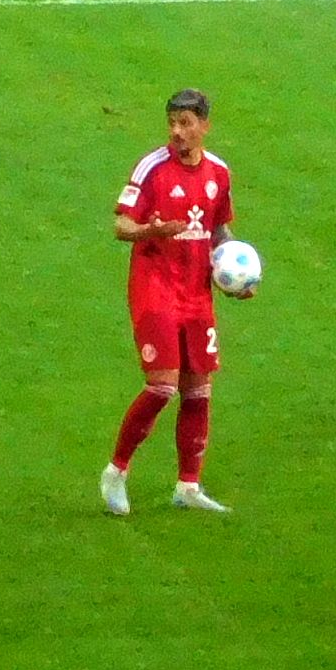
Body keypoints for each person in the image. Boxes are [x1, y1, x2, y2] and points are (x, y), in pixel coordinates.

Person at [100, 89, 247, 516]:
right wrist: (153, 231)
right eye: (172, 123)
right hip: (156, 289)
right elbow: (121, 225)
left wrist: (235, 276)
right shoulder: (153, 168)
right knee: (162, 386)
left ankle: (188, 485)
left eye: (186, 124)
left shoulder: (219, 172)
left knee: (198, 390)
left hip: (197, 293)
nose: (177, 132)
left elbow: (220, 232)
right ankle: (117, 470)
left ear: (205, 126)